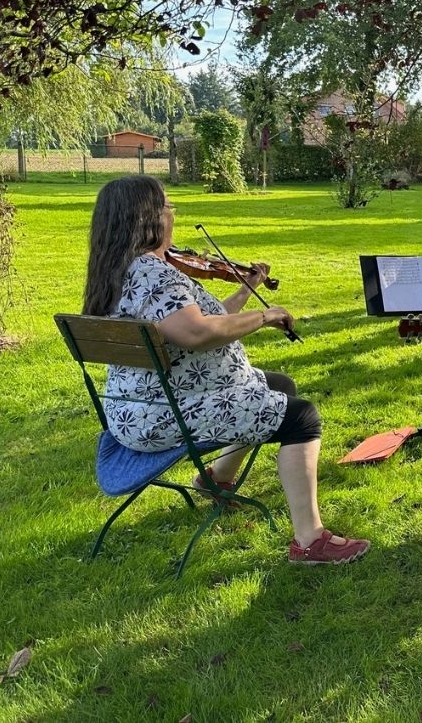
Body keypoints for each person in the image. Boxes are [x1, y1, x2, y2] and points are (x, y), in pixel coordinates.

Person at [82, 176, 369, 565]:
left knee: (278, 385)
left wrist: (247, 288)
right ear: (147, 217)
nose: (173, 214)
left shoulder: (117, 270)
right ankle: (310, 539)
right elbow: (197, 331)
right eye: (167, 206)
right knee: (301, 416)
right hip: (169, 413)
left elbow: (204, 318)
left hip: (134, 405)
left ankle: (215, 479)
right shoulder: (153, 273)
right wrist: (264, 315)